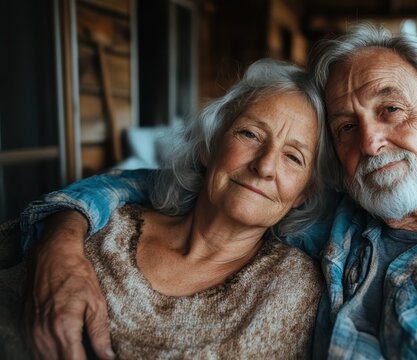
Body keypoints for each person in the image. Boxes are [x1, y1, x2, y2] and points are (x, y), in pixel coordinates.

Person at [19, 24, 417, 359]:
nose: (370, 143)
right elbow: (169, 184)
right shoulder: (330, 216)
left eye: (391, 109)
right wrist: (63, 237)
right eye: (346, 126)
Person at [3, 59, 329, 358]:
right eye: (251, 134)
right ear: (208, 145)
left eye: (293, 157)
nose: (265, 165)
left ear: (304, 193)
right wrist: (60, 235)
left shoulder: (290, 287)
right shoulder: (101, 222)